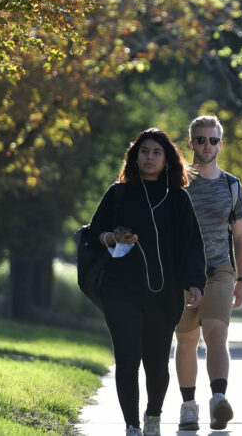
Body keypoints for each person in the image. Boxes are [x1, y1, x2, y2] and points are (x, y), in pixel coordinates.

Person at [86, 128, 206, 436]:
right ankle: (132, 427)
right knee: (127, 359)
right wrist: (112, 237)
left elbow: (192, 244)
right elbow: (93, 233)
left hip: (163, 293)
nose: (149, 158)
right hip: (120, 290)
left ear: (167, 160)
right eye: (144, 152)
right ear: (134, 156)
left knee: (155, 363)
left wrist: (195, 282)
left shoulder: (177, 199)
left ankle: (153, 416)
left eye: (156, 153)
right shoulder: (118, 193)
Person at [174, 115, 242, 431]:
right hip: (181, 273)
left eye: (213, 140)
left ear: (220, 143)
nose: (208, 145)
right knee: (187, 339)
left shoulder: (231, 186)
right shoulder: (176, 183)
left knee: (217, 333)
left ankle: (218, 399)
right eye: (201, 140)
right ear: (191, 143)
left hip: (219, 269)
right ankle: (188, 405)